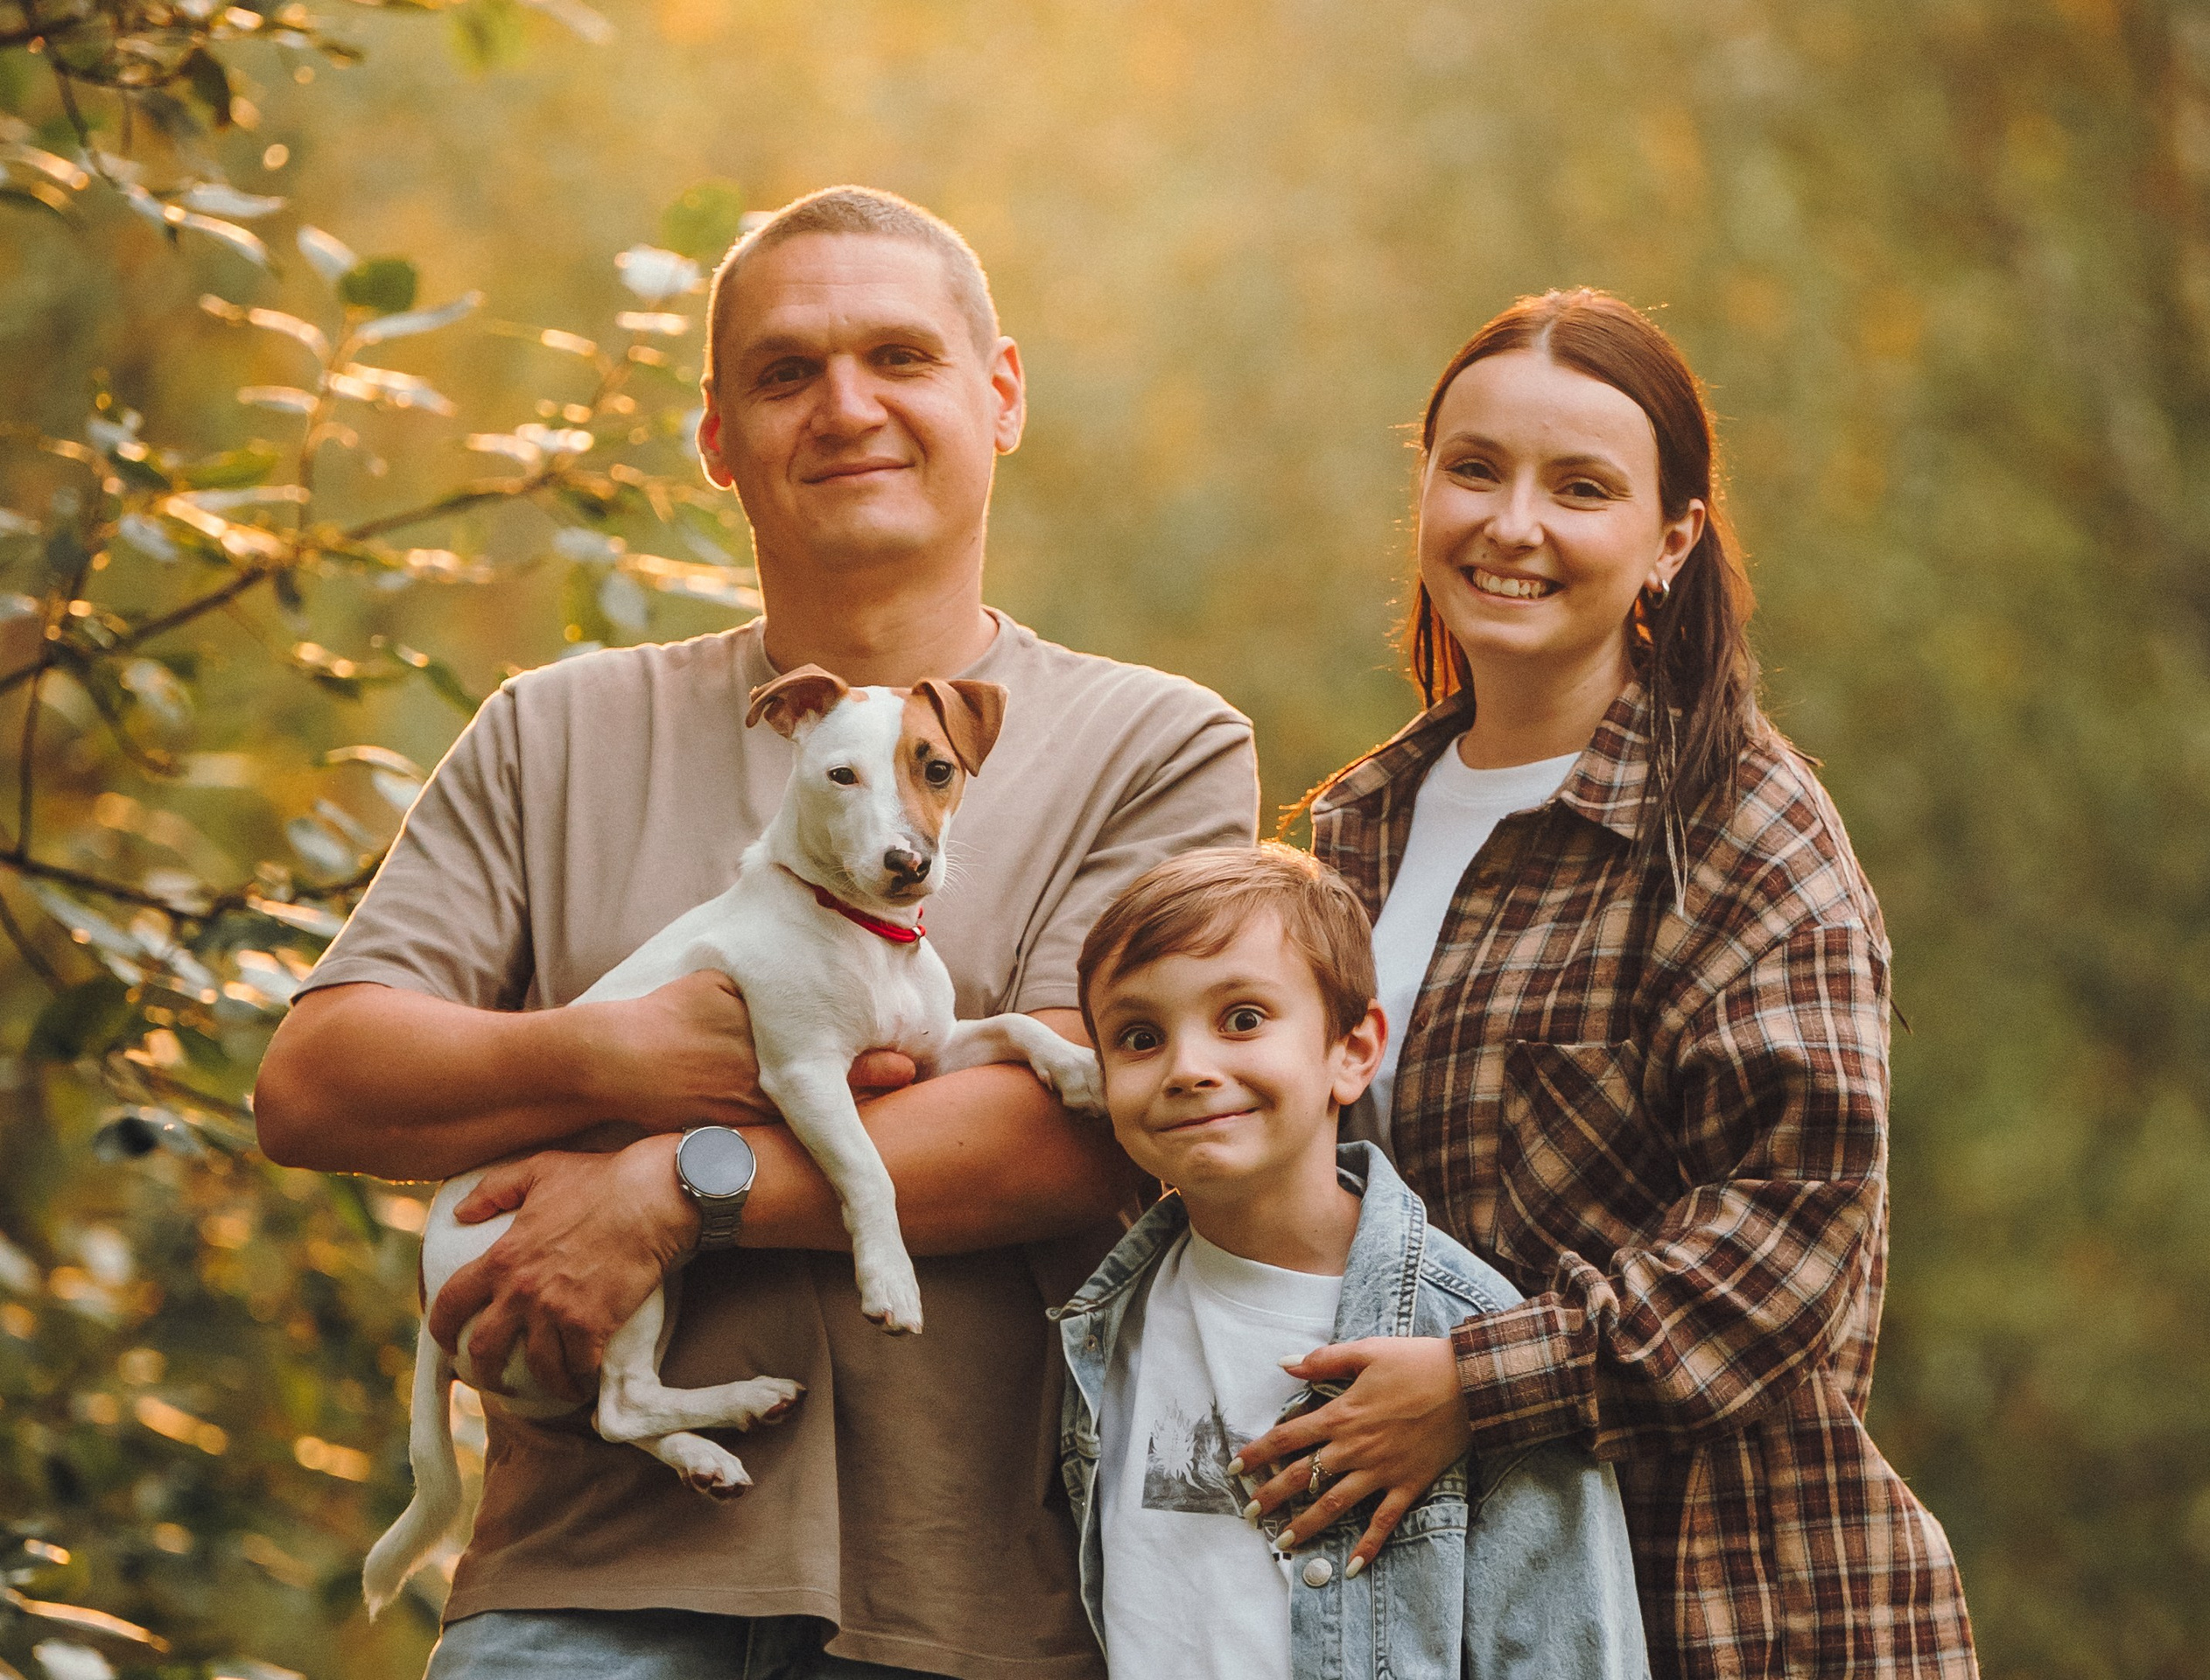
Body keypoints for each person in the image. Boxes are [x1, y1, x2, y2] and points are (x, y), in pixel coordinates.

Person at [253, 186, 1259, 1679]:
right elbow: (317, 1082)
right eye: (788, 373)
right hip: (586, 1589)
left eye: (900, 357)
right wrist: (612, 1056)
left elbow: (1076, 1129)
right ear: (718, 439)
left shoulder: (1157, 746)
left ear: (1001, 395)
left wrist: (674, 1190)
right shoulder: (554, 732)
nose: (847, 407)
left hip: (977, 1604)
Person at [1226, 290, 1980, 1678]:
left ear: (1671, 541)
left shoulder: (1743, 830)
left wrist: (1477, 1388)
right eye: (1474, 470)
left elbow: (1792, 1225)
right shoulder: (1350, 834)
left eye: (1580, 488)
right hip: (1425, 1605)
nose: (1513, 525)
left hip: (1717, 1598)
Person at [1057, 844, 1646, 1680]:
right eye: (1140, 1037)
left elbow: (1567, 1653)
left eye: (1243, 1019)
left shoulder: (1467, 1334)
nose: (1188, 1069)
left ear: (1354, 1050)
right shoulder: (1101, 1325)